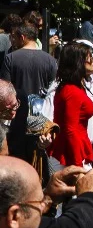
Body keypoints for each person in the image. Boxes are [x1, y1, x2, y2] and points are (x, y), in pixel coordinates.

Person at [0, 21, 54, 157]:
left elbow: (5, 86)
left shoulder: (10, 58)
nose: (12, 40)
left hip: (15, 120)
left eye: (14, 37)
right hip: (39, 118)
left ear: (22, 37)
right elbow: (53, 90)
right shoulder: (50, 60)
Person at [47, 42, 93, 168]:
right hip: (70, 158)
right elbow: (70, 130)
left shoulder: (75, 88)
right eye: (89, 58)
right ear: (78, 63)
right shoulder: (71, 91)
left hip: (74, 153)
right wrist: (77, 165)